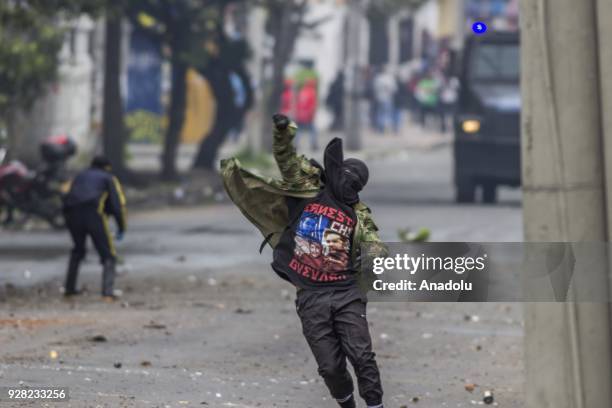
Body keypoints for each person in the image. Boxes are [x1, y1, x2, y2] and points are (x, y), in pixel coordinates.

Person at [221, 114, 387, 408]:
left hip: (348, 293)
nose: (351, 184)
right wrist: (283, 132)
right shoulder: (307, 190)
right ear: (338, 174)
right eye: (348, 177)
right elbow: (286, 159)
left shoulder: (359, 215)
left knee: (362, 356)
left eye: (357, 184)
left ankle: (376, 405)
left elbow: (374, 245)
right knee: (330, 367)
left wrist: (374, 258)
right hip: (311, 296)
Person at [62, 156, 127, 300]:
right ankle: (107, 292)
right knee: (108, 255)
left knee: (78, 250)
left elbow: (66, 196)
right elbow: (117, 205)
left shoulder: (79, 176)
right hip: (93, 214)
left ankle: (69, 289)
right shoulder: (108, 178)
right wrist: (121, 227)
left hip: (72, 215)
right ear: (107, 167)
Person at [295, 78, 319, 150]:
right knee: (313, 130)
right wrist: (312, 114)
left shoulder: (301, 92)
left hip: (300, 114)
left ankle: (296, 144)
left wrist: (298, 114)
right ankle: (313, 144)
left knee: (299, 130)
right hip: (308, 115)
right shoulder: (312, 92)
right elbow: (313, 105)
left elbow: (298, 104)